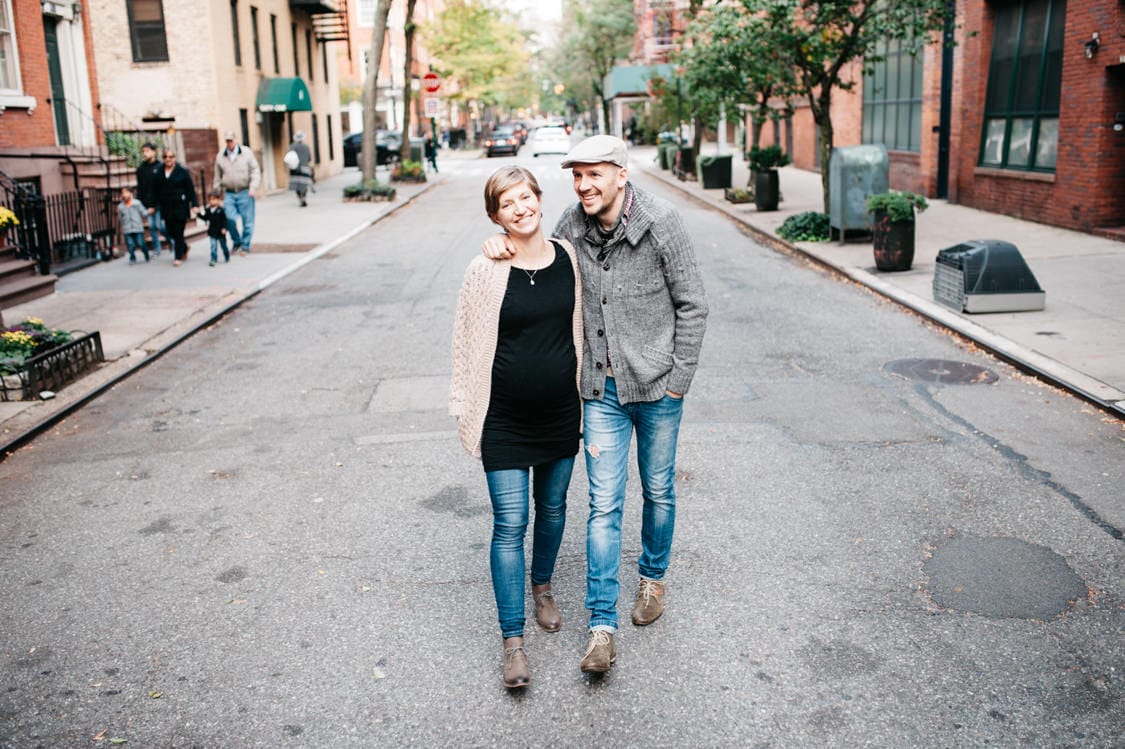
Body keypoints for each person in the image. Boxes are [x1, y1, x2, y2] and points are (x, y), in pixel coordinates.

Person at [482, 135, 708, 675]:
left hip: (657, 387)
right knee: (603, 506)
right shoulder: (571, 223)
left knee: (658, 490)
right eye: (577, 175)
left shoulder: (663, 223)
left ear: (621, 174)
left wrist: (678, 381)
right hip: (600, 392)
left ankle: (652, 578)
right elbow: (534, 256)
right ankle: (601, 627)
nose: (583, 185)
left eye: (594, 174)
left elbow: (693, 304)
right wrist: (498, 242)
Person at [450, 165, 584, 690]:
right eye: (508, 204)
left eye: (526, 197)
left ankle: (543, 586)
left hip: (559, 414)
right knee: (510, 522)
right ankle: (512, 642)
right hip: (503, 418)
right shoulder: (483, 269)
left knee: (553, 509)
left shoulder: (568, 257)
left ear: (539, 200)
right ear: (495, 215)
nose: (520, 208)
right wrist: (465, 408)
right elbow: (464, 346)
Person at [213, 130, 260, 256]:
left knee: (247, 220)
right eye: (227, 141)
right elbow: (217, 176)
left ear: (236, 140)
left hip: (245, 190)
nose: (229, 143)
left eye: (231, 140)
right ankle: (237, 241)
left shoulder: (246, 153)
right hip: (229, 192)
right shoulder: (220, 156)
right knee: (229, 219)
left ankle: (245, 245)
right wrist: (216, 192)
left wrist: (253, 187)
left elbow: (255, 170)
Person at [156, 149, 198, 267]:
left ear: (174, 158)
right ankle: (184, 247)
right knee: (170, 231)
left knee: (179, 232)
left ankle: (177, 257)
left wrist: (194, 204)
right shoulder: (159, 172)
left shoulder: (182, 172)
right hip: (167, 207)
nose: (168, 159)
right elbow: (156, 189)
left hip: (180, 206)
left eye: (170, 157)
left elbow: (190, 189)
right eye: (165, 157)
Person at [135, 142, 168, 257]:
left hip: (158, 202)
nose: (145, 153)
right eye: (143, 151)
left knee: (160, 226)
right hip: (147, 203)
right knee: (152, 227)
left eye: (147, 151)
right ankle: (157, 248)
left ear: (154, 152)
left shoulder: (160, 167)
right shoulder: (141, 169)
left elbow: (163, 186)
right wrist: (141, 202)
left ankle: (171, 240)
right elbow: (140, 187)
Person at [117, 186, 149, 265]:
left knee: (140, 243)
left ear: (130, 193)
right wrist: (124, 225)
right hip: (127, 228)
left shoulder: (136, 203)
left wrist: (148, 212)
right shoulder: (121, 206)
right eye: (123, 193)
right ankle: (132, 257)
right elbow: (120, 218)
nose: (124, 194)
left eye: (126, 192)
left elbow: (143, 212)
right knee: (130, 244)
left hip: (137, 227)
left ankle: (146, 253)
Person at [199, 191, 230, 266]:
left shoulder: (221, 210)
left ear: (218, 200)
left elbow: (225, 221)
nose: (212, 201)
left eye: (214, 199)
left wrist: (224, 228)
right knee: (213, 246)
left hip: (220, 232)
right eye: (210, 199)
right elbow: (205, 218)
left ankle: (227, 255)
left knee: (223, 245)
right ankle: (213, 259)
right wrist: (198, 214)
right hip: (212, 232)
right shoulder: (208, 210)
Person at [286, 131, 313, 207]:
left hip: (295, 168)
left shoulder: (292, 147)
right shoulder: (306, 147)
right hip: (305, 167)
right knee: (304, 184)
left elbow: (289, 158)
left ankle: (300, 198)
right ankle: (304, 197)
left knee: (297, 184)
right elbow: (309, 158)